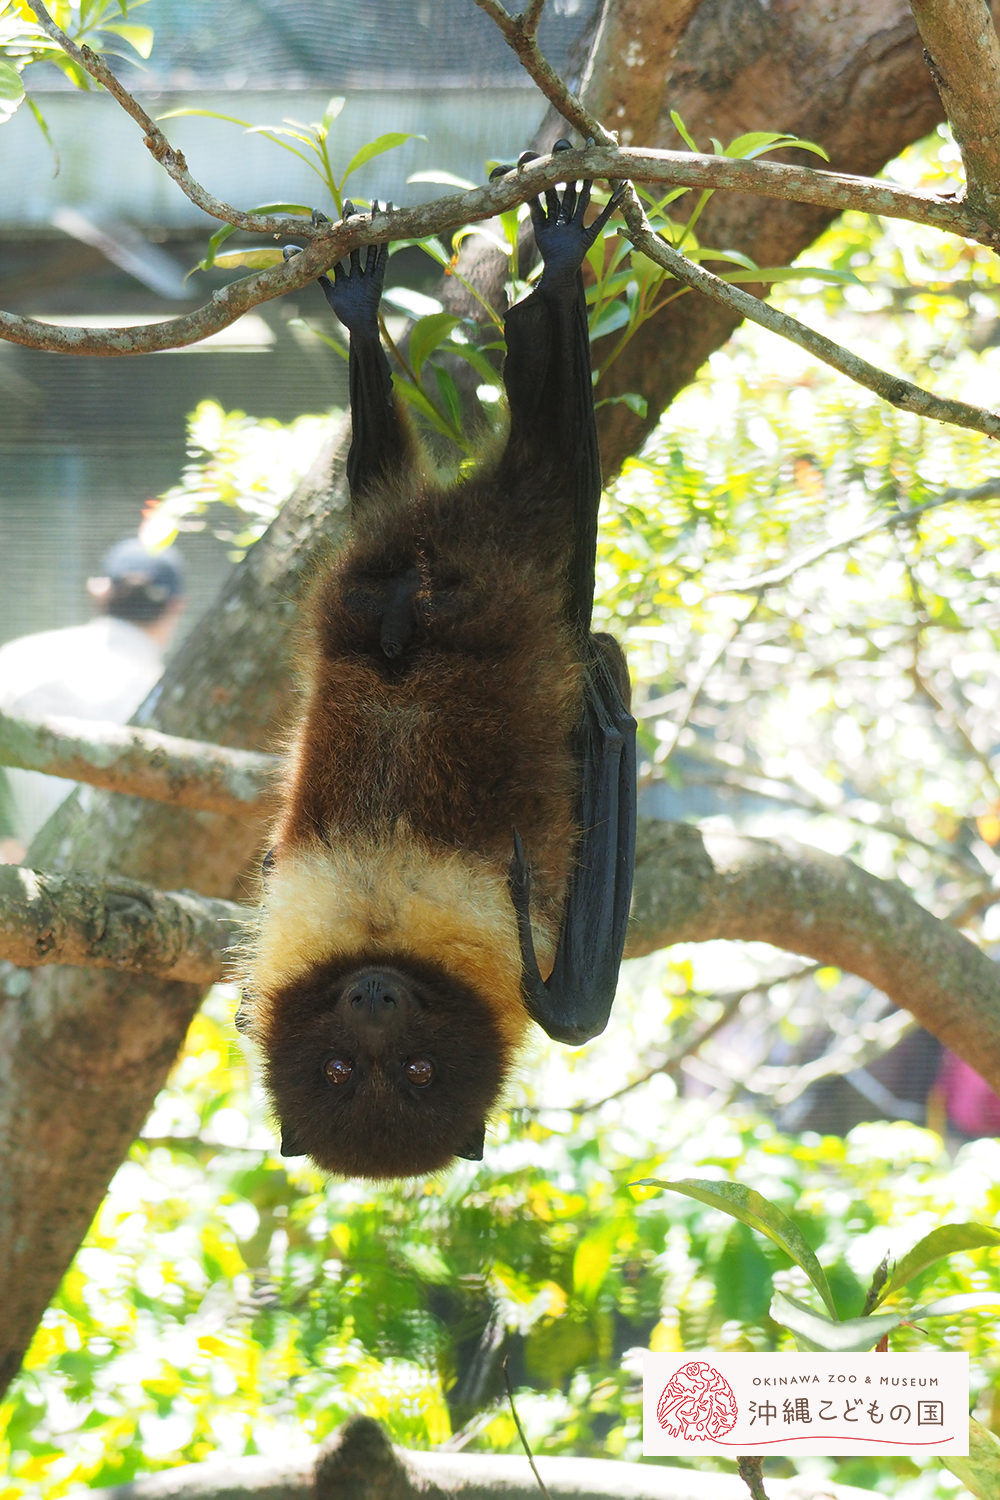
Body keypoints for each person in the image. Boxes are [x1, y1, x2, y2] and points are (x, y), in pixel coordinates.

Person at [0, 539, 186, 861]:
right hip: (132, 873)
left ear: (98, 591)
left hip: (20, 868)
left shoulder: (15, 660)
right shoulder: (170, 694)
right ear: (177, 606)